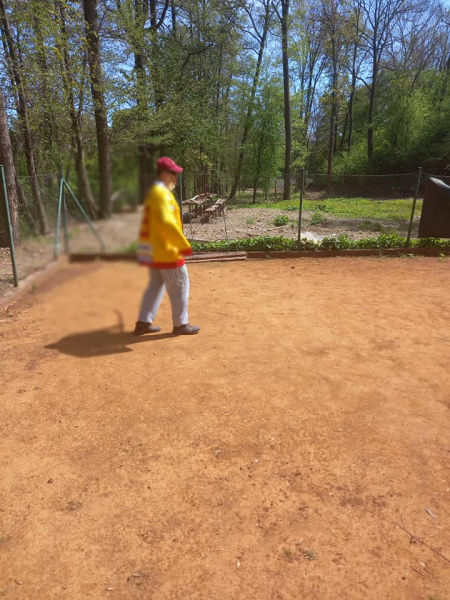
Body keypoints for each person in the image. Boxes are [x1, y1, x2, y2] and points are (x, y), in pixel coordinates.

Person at [135, 157, 200, 336]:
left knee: (155, 286)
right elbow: (166, 222)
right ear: (164, 174)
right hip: (168, 250)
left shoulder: (155, 192)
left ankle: (143, 322)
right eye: (173, 173)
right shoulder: (161, 194)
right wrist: (182, 245)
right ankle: (180, 324)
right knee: (180, 285)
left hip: (155, 250)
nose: (176, 177)